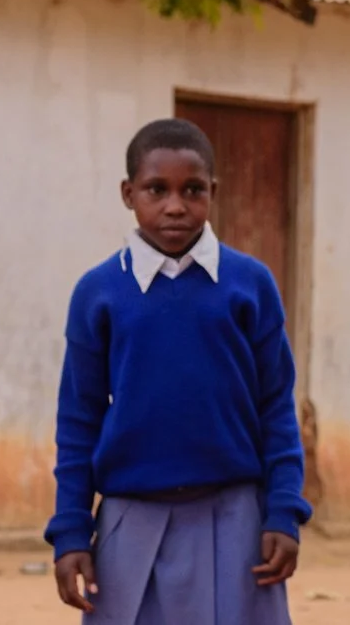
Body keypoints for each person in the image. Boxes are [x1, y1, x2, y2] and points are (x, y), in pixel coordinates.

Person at [48, 119, 308, 621]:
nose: (174, 205)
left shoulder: (249, 285)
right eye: (156, 189)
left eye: (192, 190)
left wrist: (283, 510)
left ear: (212, 191)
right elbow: (78, 418)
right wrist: (70, 530)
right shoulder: (98, 293)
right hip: (129, 521)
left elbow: (276, 405)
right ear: (128, 194)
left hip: (237, 522)